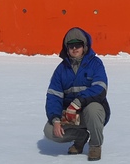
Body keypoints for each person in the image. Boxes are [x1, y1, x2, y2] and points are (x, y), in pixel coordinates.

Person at [43, 27, 109, 161]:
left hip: (92, 114)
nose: (74, 49)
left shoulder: (95, 64)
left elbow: (100, 87)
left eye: (78, 45)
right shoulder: (61, 70)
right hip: (70, 116)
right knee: (49, 131)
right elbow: (53, 96)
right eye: (71, 45)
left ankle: (95, 145)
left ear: (84, 46)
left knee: (93, 108)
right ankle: (80, 137)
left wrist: (77, 102)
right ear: (66, 48)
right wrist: (56, 119)